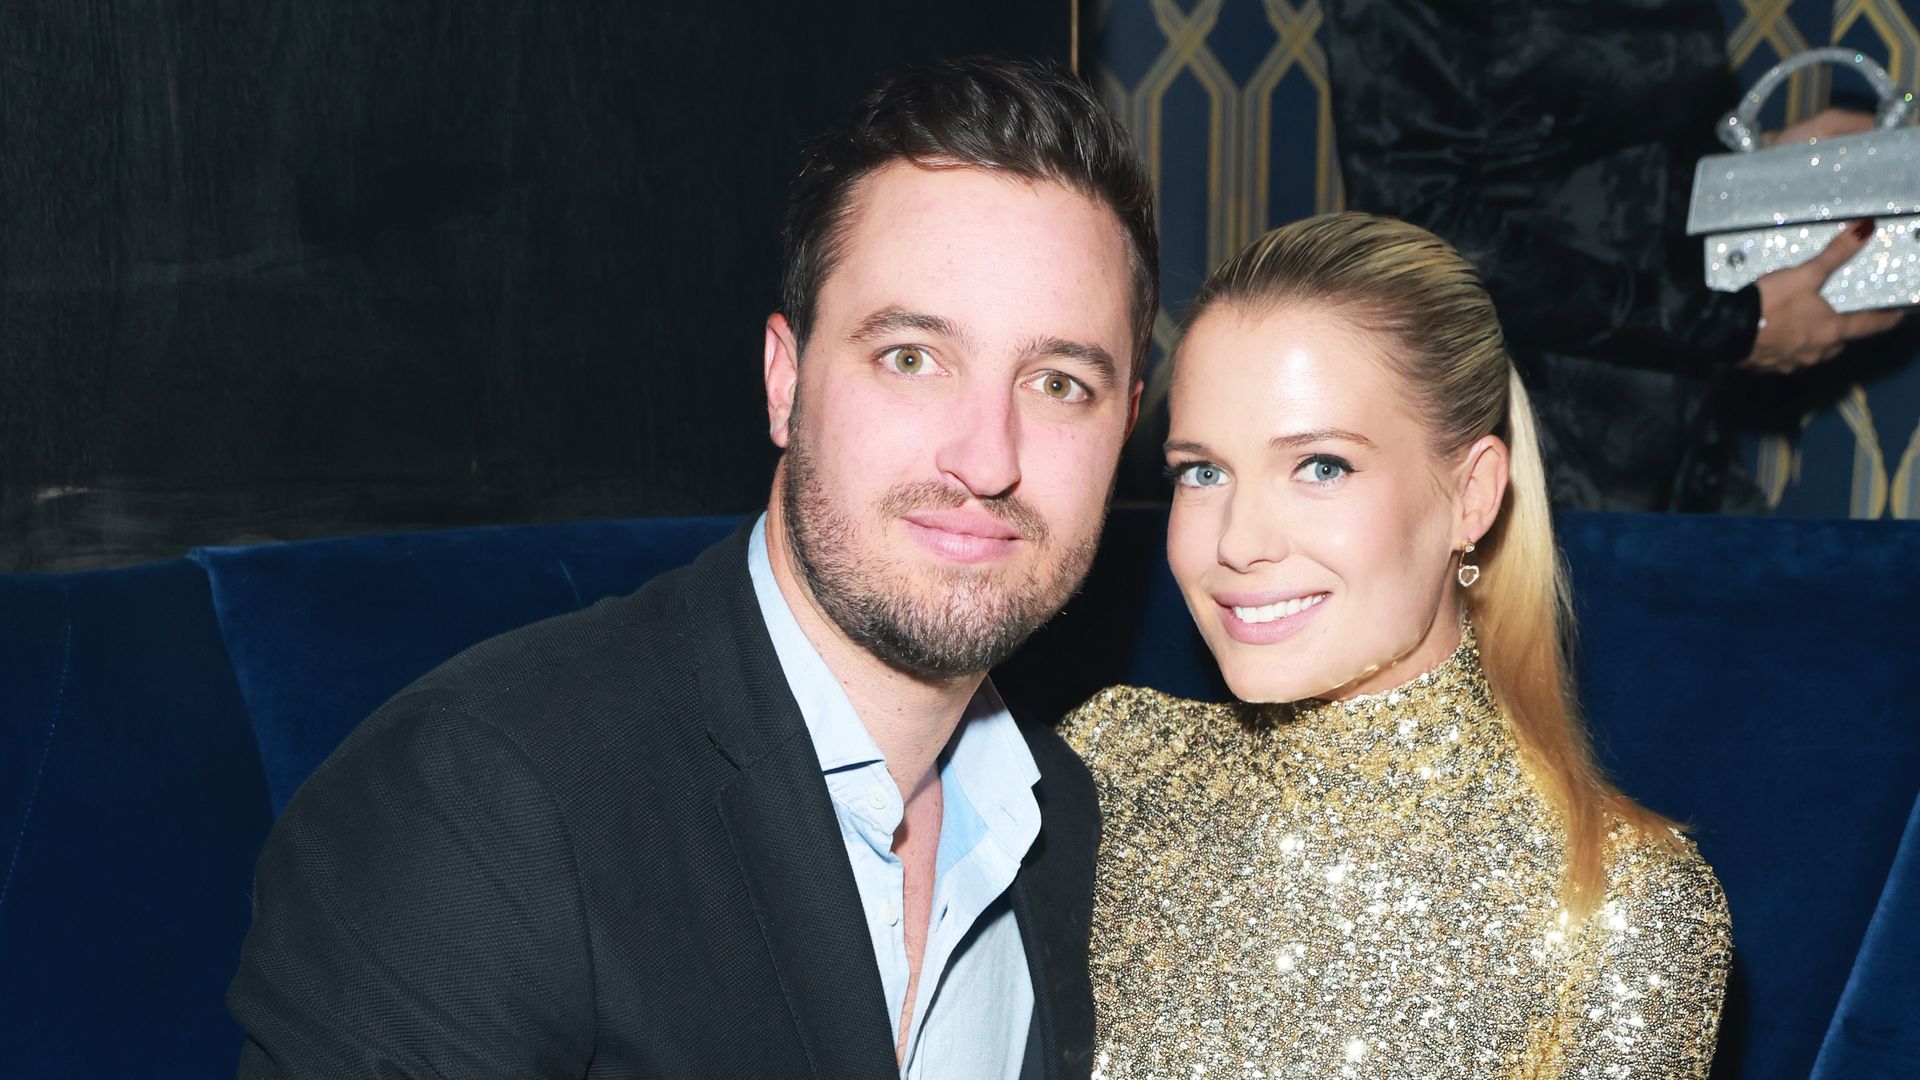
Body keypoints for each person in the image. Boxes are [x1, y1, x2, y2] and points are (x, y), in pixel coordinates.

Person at [227, 57, 1157, 1080]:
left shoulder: (1069, 822)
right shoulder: (480, 806)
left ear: (1125, 429)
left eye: (1061, 382)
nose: (988, 457)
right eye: (910, 356)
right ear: (784, 382)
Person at [1065, 213, 1729, 1076]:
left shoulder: (1623, 904)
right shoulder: (1109, 764)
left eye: (1321, 466)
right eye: (1203, 471)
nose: (1237, 541)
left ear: (1472, 496)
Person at [1323, 0, 1906, 511]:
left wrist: (1774, 165)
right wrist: (1724, 325)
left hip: (1680, 431)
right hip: (1524, 439)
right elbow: (1420, 219)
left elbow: (1613, 154)